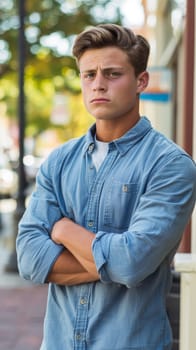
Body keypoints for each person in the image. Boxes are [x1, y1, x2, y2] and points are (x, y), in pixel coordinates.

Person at [16, 24, 196, 350]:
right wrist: (116, 262)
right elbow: (28, 259)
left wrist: (62, 229)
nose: (98, 84)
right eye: (89, 75)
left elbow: (131, 264)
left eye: (112, 74)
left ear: (141, 81)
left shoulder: (170, 165)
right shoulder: (59, 162)